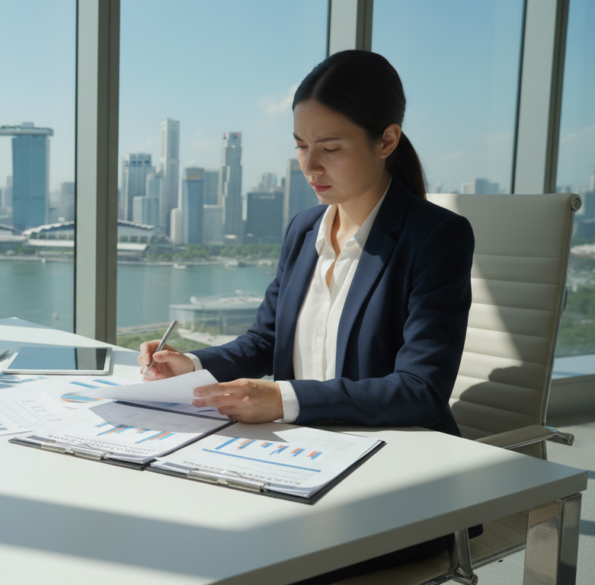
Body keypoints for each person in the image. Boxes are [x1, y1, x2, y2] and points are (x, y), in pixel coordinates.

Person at [137, 50, 476, 584]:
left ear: (386, 141)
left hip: (392, 475)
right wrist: (192, 364)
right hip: (299, 457)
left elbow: (420, 389)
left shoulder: (435, 238)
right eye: (300, 146)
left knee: (247, 559)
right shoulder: (304, 229)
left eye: (331, 148)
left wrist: (284, 399)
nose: (310, 166)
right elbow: (265, 340)